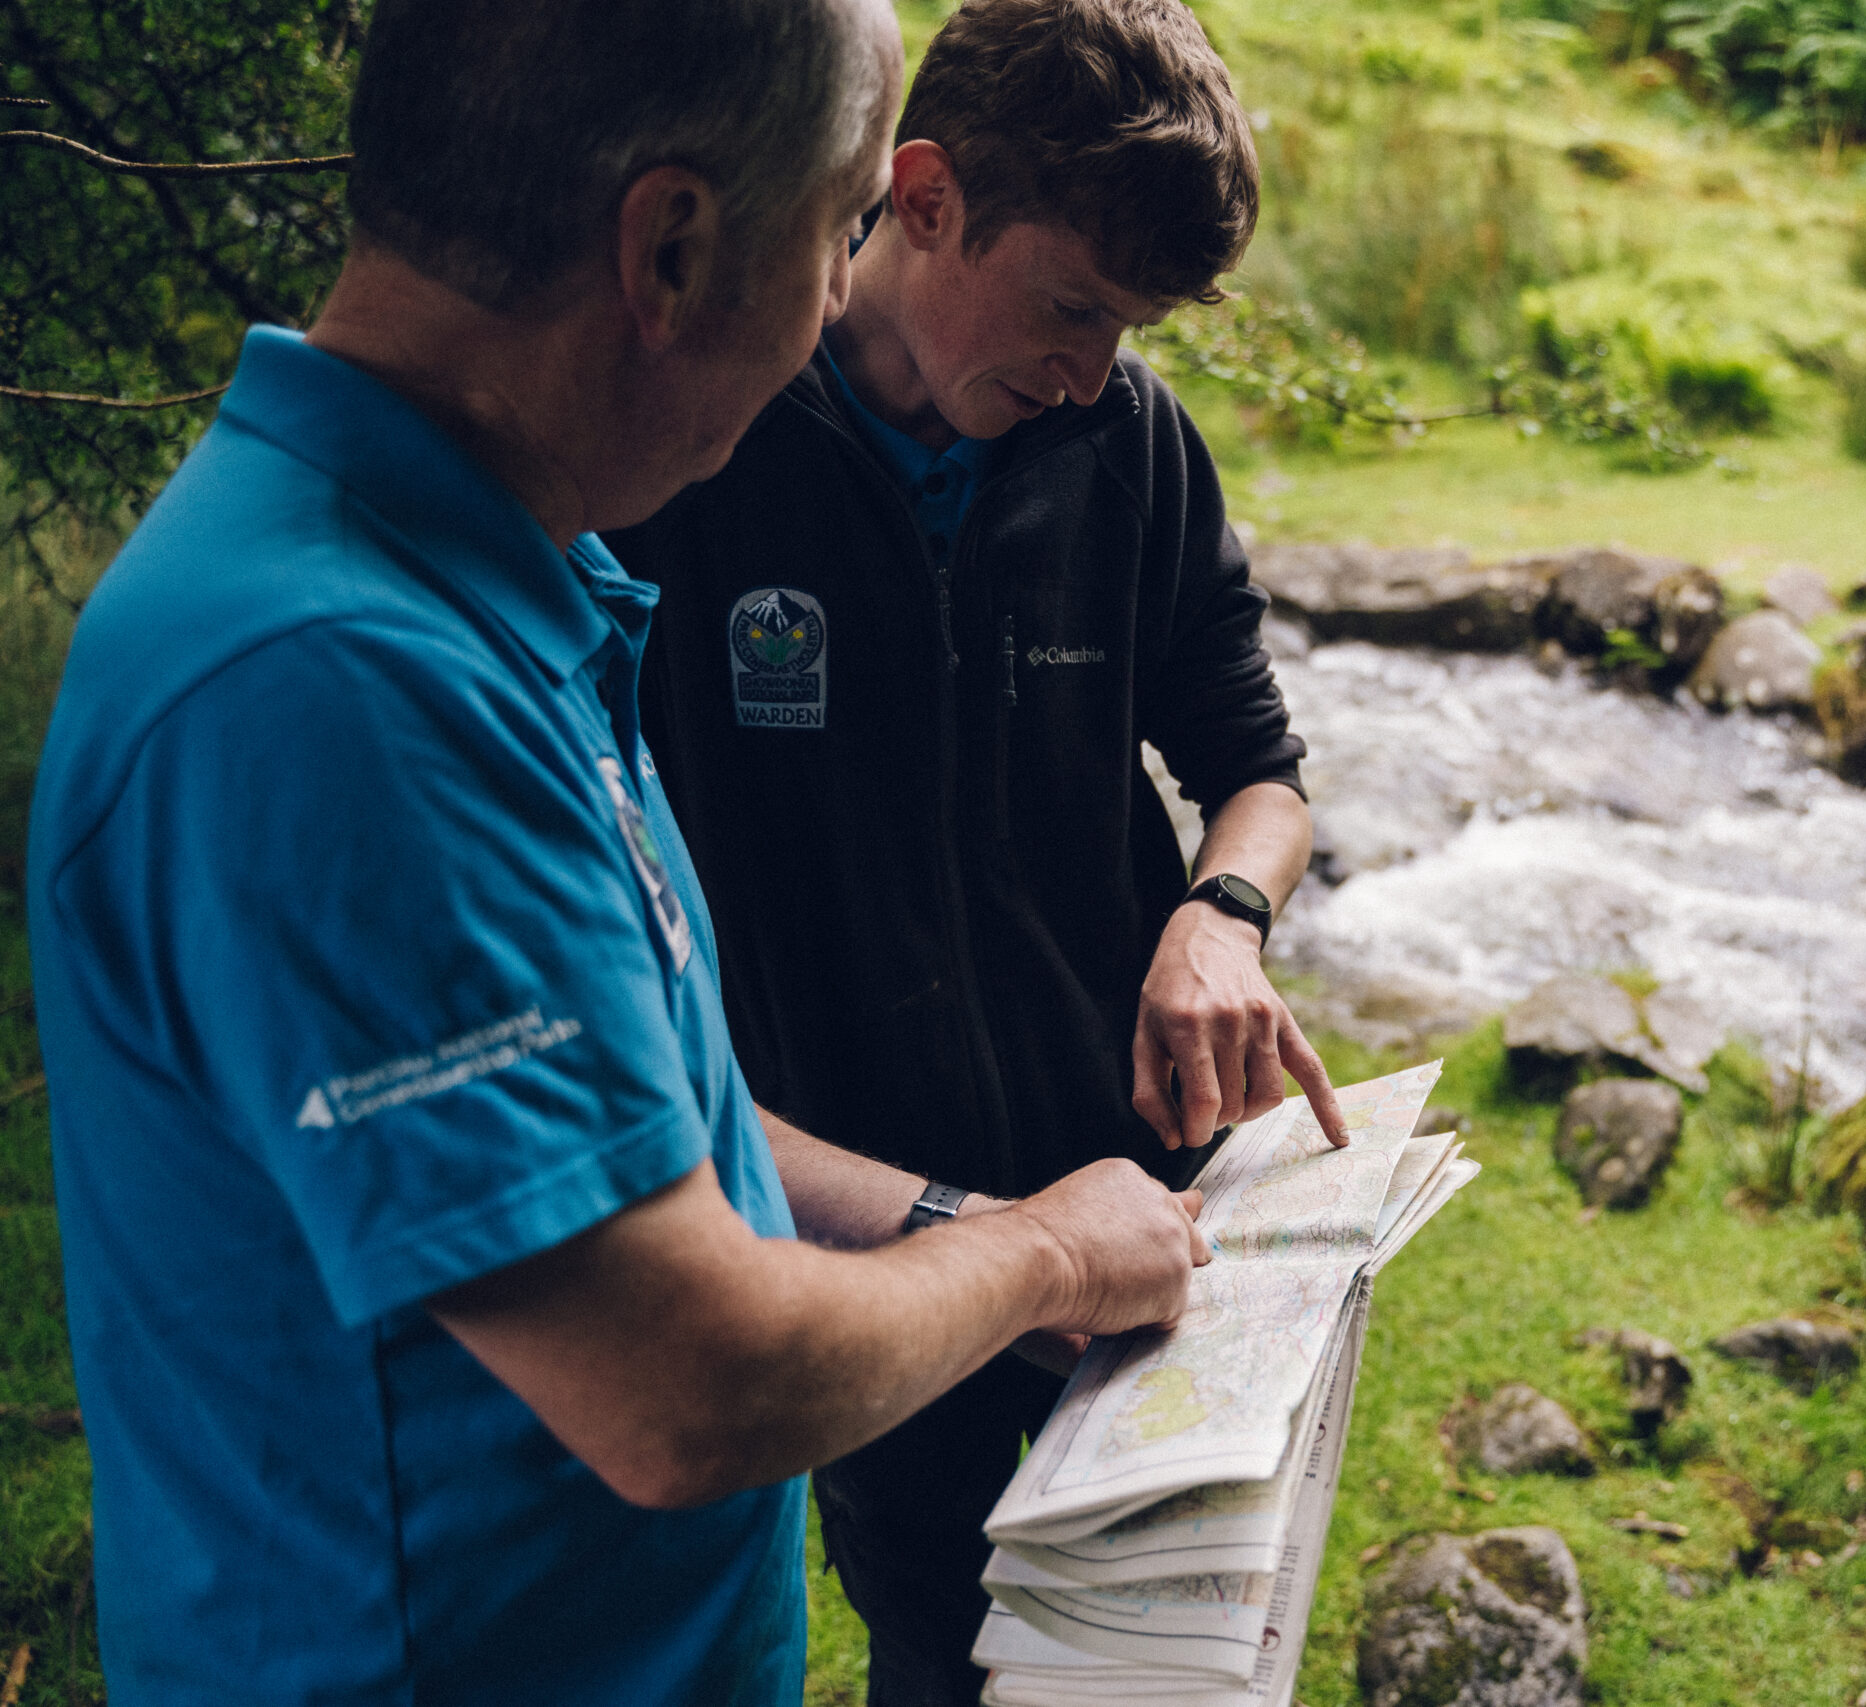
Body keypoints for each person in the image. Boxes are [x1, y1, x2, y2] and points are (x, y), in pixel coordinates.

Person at [26, 1, 1209, 1701]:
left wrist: (976, 1223)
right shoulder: (337, 688)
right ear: (669, 247)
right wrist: (1039, 1252)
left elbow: (649, 1146)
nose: (833, 298)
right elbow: (685, 1388)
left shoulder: (483, 598)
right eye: (837, 229)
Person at [601, 0, 1341, 1697]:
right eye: (1074, 306)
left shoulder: (1127, 441)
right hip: (870, 1237)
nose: (1092, 371)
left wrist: (1223, 914)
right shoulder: (698, 447)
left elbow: (1260, 770)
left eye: (1132, 328)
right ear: (920, 196)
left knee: (1167, 1648)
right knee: (952, 1653)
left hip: (1148, 1207)